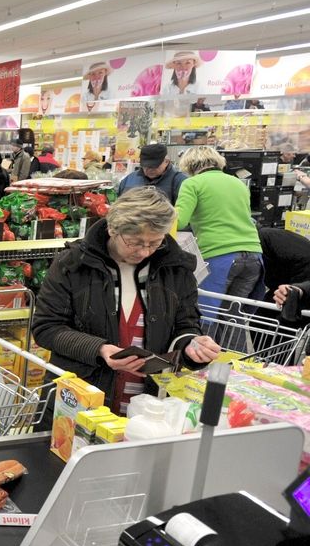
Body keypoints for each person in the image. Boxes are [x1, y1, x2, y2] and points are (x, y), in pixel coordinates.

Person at [33, 187, 220, 415]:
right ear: (113, 229)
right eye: (134, 242)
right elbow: (46, 328)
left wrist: (192, 346)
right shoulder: (73, 264)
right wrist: (99, 349)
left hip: (147, 404)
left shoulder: (176, 269)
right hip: (80, 398)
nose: (144, 252)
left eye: (154, 243)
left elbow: (185, 324)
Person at [175, 146, 265, 319]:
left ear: (189, 165)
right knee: (232, 319)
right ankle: (230, 347)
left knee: (205, 317)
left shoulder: (192, 183)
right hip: (254, 255)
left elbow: (179, 221)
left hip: (219, 255)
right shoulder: (238, 183)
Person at [116, 143, 186, 202]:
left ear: (166, 161)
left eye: (154, 166)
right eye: (146, 166)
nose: (150, 169)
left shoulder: (180, 182)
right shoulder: (128, 180)